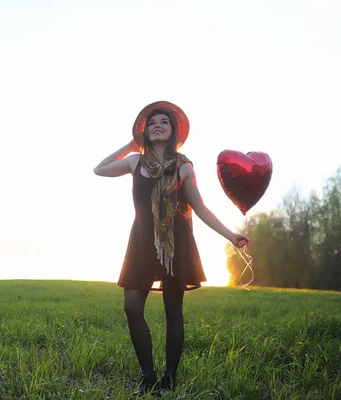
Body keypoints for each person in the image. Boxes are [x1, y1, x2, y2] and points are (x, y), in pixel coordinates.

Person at [93, 101, 249, 395]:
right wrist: (130, 144)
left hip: (175, 244)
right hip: (140, 242)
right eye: (152, 123)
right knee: (131, 306)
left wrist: (231, 235)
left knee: (173, 312)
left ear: (173, 131)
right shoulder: (134, 162)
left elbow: (200, 208)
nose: (157, 126)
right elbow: (98, 169)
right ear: (145, 133)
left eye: (164, 122)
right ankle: (147, 375)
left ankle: (169, 377)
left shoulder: (184, 166)